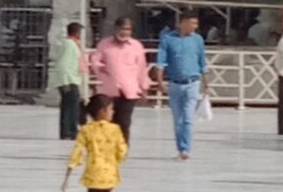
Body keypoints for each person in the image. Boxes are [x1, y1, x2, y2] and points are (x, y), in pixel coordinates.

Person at [64, 92, 128, 192]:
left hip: (95, 177)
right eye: (111, 109)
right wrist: (114, 162)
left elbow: (77, 151)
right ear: (102, 111)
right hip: (111, 176)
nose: (113, 112)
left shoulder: (87, 130)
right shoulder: (115, 129)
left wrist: (69, 171)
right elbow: (122, 151)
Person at [156, 10, 207, 161]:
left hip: (192, 82)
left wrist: (206, 82)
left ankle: (186, 148)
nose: (195, 26)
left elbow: (202, 61)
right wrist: (160, 81)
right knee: (178, 119)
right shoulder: (168, 39)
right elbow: (161, 61)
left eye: (196, 23)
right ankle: (180, 148)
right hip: (174, 84)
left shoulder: (197, 39)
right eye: (192, 23)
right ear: (183, 22)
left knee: (188, 118)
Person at [90, 16, 149, 145]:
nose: (124, 32)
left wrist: (144, 88)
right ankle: (108, 148)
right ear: (116, 29)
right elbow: (95, 61)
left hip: (129, 91)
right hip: (109, 90)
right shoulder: (105, 44)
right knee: (107, 122)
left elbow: (141, 68)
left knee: (124, 122)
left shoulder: (136, 46)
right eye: (122, 29)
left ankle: (122, 149)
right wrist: (102, 68)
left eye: (127, 29)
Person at [47, 19, 88, 141]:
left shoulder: (71, 44)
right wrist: (64, 81)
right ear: (76, 33)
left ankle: (67, 131)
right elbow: (63, 64)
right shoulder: (69, 45)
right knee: (72, 107)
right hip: (69, 79)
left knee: (68, 106)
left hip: (71, 78)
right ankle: (71, 130)